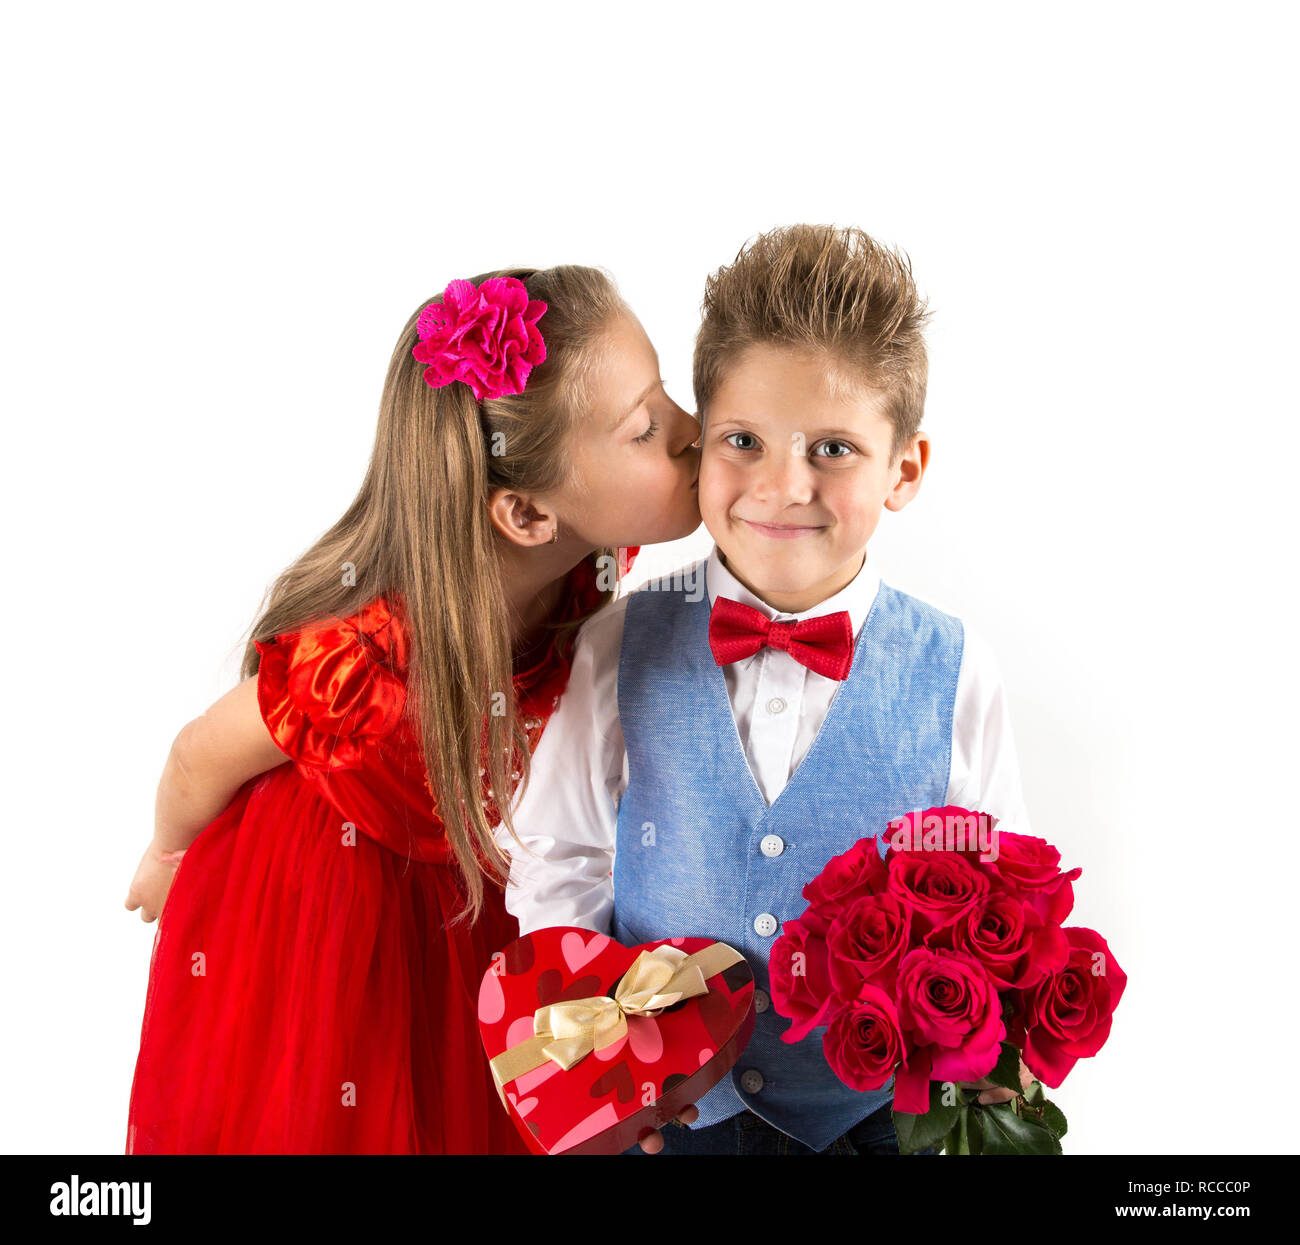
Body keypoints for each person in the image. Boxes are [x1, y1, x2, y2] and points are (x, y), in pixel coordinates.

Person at [124, 267, 702, 1153]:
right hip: (338, 914)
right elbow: (201, 751)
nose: (694, 433)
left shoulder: (582, 573)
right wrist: (172, 853)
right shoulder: (368, 661)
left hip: (479, 903)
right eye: (647, 429)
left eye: (667, 396)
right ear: (525, 512)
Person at [499, 226, 1035, 1156]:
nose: (784, 487)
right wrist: (599, 1062)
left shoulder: (956, 668)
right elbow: (564, 856)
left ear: (903, 469)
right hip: (674, 1118)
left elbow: (992, 880)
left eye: (832, 448)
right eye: (744, 440)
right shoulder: (618, 644)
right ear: (700, 442)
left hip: (871, 1122)